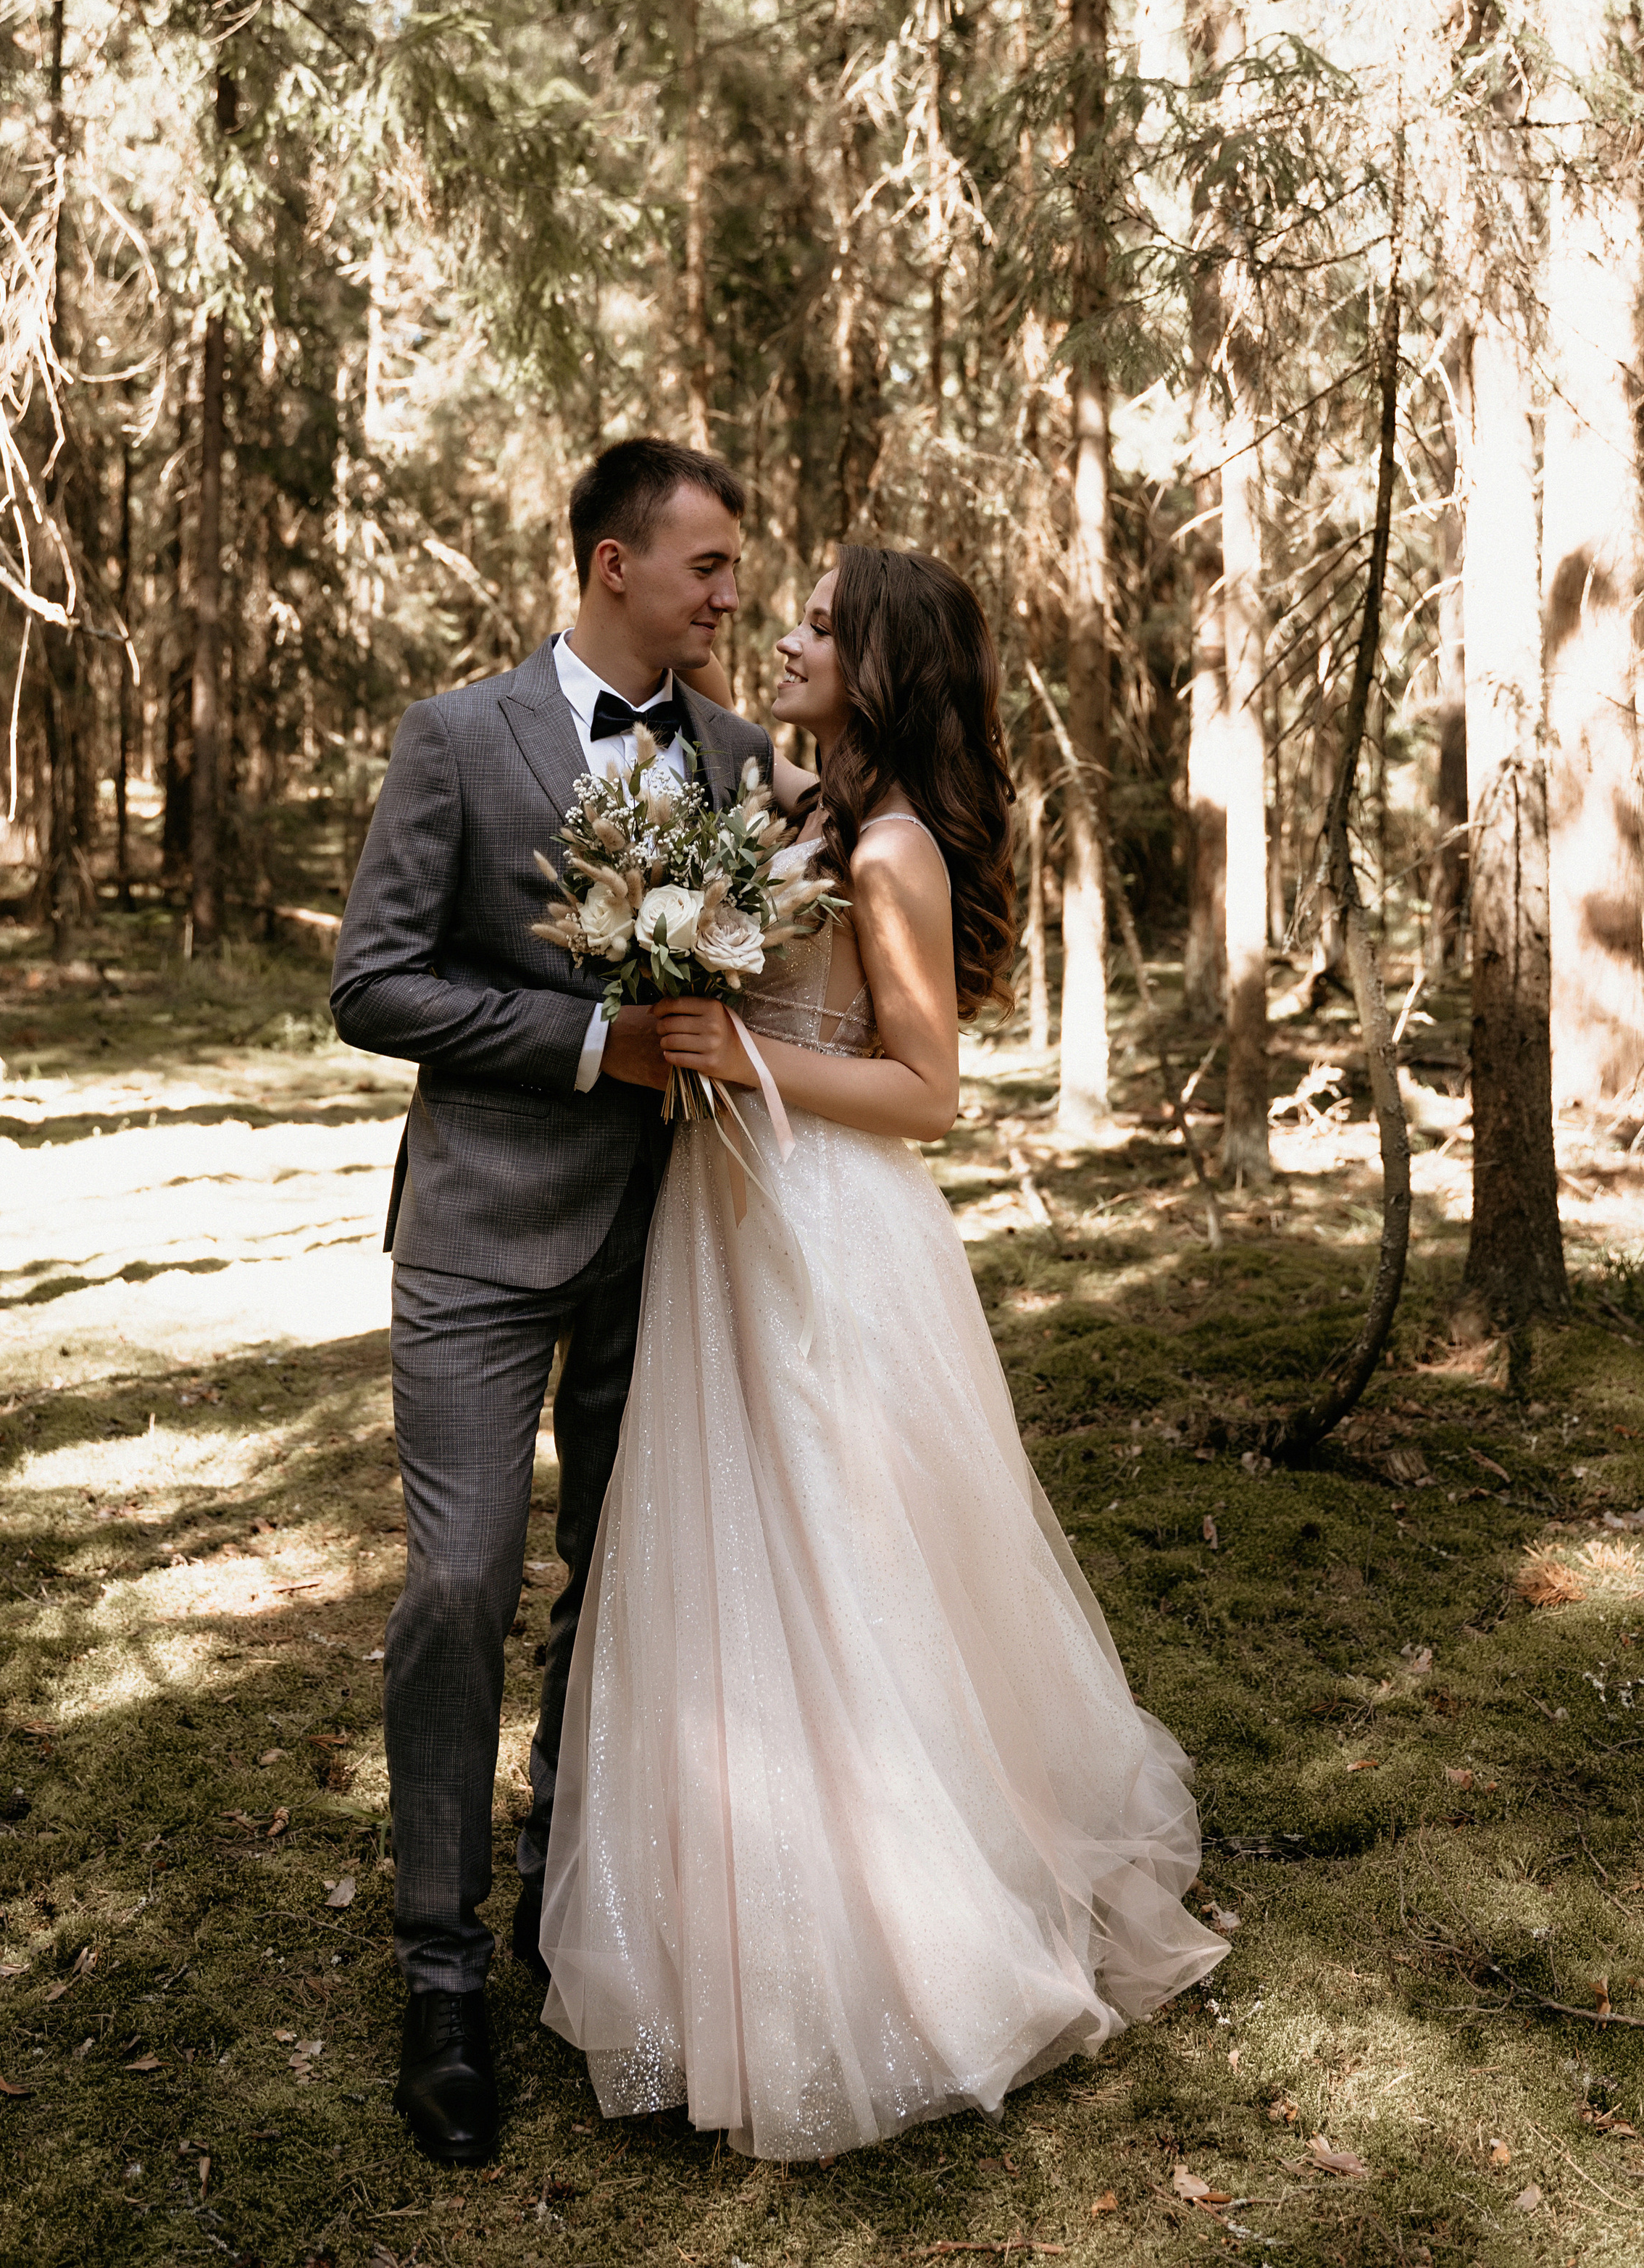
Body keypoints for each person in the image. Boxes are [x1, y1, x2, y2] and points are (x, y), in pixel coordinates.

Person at [538, 545, 1226, 2161]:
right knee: (719, 1550)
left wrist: (738, 1053)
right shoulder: (806, 817)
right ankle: (718, 1930)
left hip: (828, 1225)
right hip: (728, 1218)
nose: (786, 634)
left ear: (884, 667)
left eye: (820, 625)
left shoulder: (898, 850)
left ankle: (896, 1936)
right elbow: (766, 834)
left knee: (839, 1557)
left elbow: (929, 1093)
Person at [330, 438, 774, 2167]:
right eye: (707, 566)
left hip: (666, 1239)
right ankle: (437, 1976)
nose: (728, 594)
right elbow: (375, 985)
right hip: (474, 1237)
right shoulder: (457, 738)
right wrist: (597, 1041)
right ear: (613, 565)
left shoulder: (737, 759)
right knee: (459, 1583)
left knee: (620, 1576)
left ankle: (557, 1893)